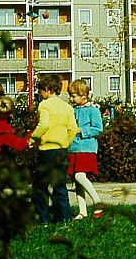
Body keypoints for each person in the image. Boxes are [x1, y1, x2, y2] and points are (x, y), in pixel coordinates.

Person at [29, 74, 79, 224]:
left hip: (47, 150)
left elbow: (43, 125)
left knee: (40, 186)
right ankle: (64, 218)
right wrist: (65, 144)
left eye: (41, 91)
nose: (40, 94)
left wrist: (33, 139)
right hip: (61, 150)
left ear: (46, 89)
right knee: (60, 186)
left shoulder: (44, 105)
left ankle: (43, 219)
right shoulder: (67, 107)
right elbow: (73, 129)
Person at [67, 79, 104, 219]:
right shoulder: (73, 110)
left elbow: (98, 129)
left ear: (83, 95)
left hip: (86, 148)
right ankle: (82, 211)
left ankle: (97, 201)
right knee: (77, 181)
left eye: (74, 95)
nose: (71, 98)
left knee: (80, 176)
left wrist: (81, 130)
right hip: (74, 148)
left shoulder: (93, 110)